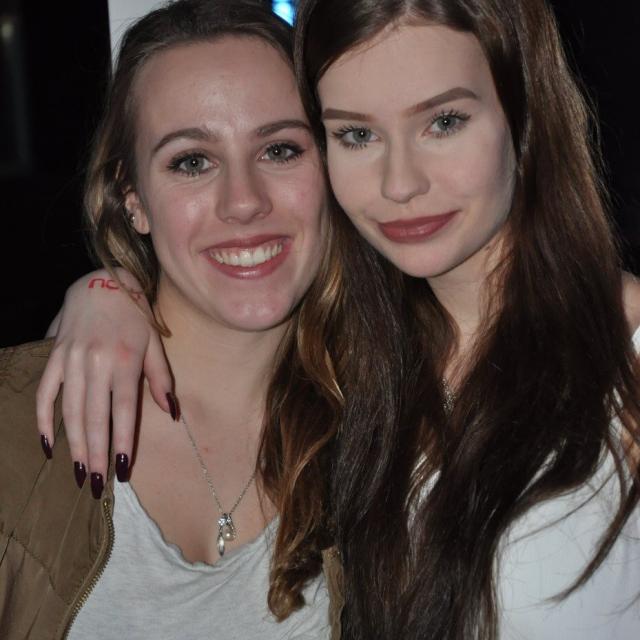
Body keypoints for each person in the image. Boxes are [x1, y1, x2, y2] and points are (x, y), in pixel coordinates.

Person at [32, 0, 640, 638]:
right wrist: (106, 290)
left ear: (525, 115)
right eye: (356, 135)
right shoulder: (362, 377)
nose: (400, 183)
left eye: (445, 121)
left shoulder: (622, 353)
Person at [0, 0, 395, 636]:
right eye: (192, 161)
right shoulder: (16, 426)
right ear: (132, 198)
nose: (244, 201)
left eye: (280, 149)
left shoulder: (396, 424)